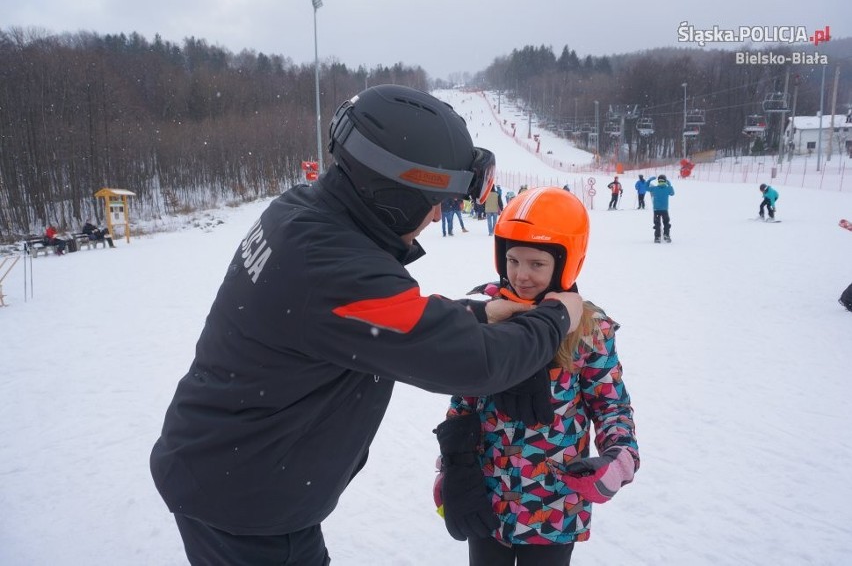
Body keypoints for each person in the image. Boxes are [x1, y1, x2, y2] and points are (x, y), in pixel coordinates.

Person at [149, 84, 585, 566]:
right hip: (249, 507)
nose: (440, 212)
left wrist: (480, 311)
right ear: (392, 196)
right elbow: (477, 363)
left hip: (227, 470)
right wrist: (556, 316)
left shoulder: (302, 213)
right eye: (436, 198)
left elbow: (381, 318)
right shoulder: (335, 268)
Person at [433, 187, 639, 565]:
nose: (521, 275)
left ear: (564, 264)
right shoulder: (487, 316)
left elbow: (610, 405)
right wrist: (453, 467)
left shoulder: (588, 329)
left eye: (536, 264)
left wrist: (618, 456)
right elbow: (464, 401)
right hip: (487, 496)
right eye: (512, 260)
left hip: (554, 504)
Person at [647, 174, 675, 243]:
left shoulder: (654, 188)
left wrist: (649, 180)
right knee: (666, 223)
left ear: (658, 181)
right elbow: (672, 193)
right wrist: (669, 185)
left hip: (656, 210)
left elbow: (646, 188)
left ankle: (657, 237)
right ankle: (666, 236)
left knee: (657, 224)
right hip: (664, 210)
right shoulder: (667, 188)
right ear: (665, 181)